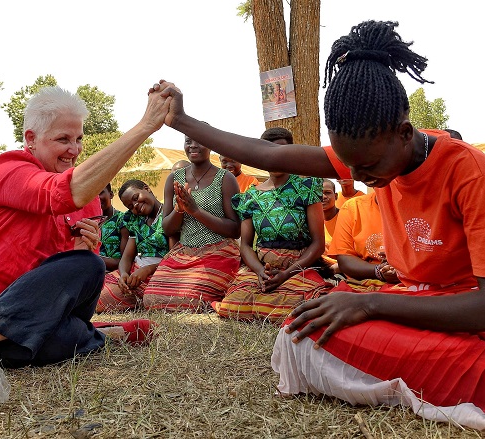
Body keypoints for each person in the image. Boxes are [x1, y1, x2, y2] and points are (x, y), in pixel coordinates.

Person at [151, 20, 485, 428]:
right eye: (351, 166)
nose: (359, 177)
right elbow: (269, 156)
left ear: (403, 133)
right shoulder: (372, 147)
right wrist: (183, 121)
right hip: (413, 301)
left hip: (463, 309)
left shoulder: (468, 171)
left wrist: (368, 302)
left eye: (369, 166)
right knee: (303, 332)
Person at [0, 85, 170, 367]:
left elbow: (56, 277)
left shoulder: (88, 201)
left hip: (38, 313)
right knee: (59, 339)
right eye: (63, 139)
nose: (74, 150)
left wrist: (77, 251)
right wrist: (145, 126)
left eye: (78, 139)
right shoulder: (8, 168)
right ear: (31, 139)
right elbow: (59, 192)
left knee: (88, 265)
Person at [214, 128, 330, 323]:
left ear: (291, 153)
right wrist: (260, 272)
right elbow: (245, 245)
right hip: (263, 270)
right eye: (270, 152)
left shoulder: (306, 188)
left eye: (282, 152)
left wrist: (285, 274)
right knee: (232, 306)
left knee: (300, 309)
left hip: (298, 268)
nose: (276, 158)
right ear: (261, 155)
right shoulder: (251, 196)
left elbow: (318, 244)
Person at [142, 132, 241, 312]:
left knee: (191, 300)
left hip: (218, 251)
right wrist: (180, 210)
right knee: (151, 299)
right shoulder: (174, 178)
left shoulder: (225, 179)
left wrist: (195, 211)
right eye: (188, 141)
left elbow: (235, 230)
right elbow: (167, 228)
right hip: (184, 252)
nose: (193, 145)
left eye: (200, 141)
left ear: (211, 144)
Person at [97, 179, 170, 313]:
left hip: (161, 271)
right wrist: (123, 273)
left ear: (146, 188)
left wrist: (147, 270)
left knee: (155, 298)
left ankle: (141, 298)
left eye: (136, 198)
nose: (136, 205)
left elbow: (174, 256)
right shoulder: (135, 220)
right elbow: (127, 256)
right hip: (135, 272)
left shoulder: (169, 214)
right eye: (130, 206)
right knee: (96, 293)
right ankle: (135, 297)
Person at [329, 192, 398, 285]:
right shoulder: (352, 207)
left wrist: (401, 267)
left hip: (412, 282)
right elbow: (345, 261)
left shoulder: (420, 205)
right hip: (363, 281)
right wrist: (379, 271)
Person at [98, 183, 126, 272]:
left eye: (100, 193)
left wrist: (91, 258)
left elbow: (125, 261)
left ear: (111, 194)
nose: (96, 198)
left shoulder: (123, 220)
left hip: (114, 275)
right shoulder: (88, 221)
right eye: (92, 195)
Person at [321, 179, 340, 271]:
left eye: (327, 192)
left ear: (336, 196)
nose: (323, 196)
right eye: (319, 193)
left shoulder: (346, 217)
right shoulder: (310, 221)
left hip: (343, 268)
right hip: (320, 266)